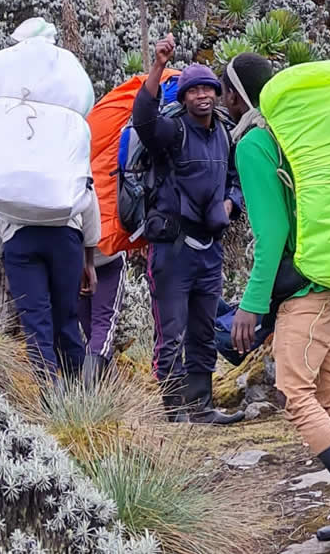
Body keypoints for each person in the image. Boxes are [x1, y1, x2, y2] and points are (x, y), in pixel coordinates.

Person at [222, 51, 330, 541]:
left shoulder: (255, 143)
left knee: (295, 392)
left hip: (305, 292)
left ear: (238, 94)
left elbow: (271, 233)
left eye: (225, 90)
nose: (221, 101)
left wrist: (251, 304)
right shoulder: (298, 133)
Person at [133, 34, 243, 425]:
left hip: (209, 248)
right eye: (193, 90)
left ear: (216, 94)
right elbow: (143, 120)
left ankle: (202, 406)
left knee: (202, 329)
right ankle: (173, 409)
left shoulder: (224, 135)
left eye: (208, 89)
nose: (202, 96)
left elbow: (235, 178)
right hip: (172, 250)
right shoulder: (172, 131)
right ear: (183, 97)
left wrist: (230, 203)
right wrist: (159, 64)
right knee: (172, 332)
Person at [0, 179, 99, 378]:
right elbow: (88, 190)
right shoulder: (64, 146)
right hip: (65, 233)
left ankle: (48, 395)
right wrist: (89, 258)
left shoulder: (0, 147)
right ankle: (80, 395)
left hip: (18, 237)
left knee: (36, 323)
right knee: (67, 319)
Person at [77, 247, 125, 387]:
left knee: (93, 332)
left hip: (73, 260)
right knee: (101, 327)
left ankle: (112, 389)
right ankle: (90, 388)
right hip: (108, 255)